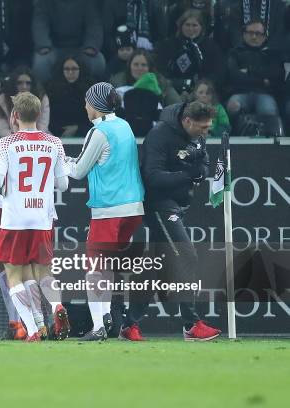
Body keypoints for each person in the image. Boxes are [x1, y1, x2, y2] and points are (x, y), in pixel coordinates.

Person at [0, 92, 72, 342]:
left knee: (15, 275)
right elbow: (64, 184)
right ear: (38, 115)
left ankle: (33, 330)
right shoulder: (54, 142)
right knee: (43, 272)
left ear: (14, 116)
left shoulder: (6, 143)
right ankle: (56, 308)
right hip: (42, 218)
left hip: (15, 218)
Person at [121, 101, 221, 341]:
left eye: (208, 128)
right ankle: (191, 325)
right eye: (202, 128)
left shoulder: (196, 136)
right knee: (186, 256)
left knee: (156, 268)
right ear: (187, 121)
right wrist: (187, 175)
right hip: (158, 205)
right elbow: (153, 177)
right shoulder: (159, 135)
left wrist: (201, 172)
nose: (206, 133)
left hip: (178, 204)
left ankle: (128, 324)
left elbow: (203, 162)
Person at [65, 82, 145, 341]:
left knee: (93, 269)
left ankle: (98, 325)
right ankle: (107, 314)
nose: (84, 106)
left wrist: (58, 160)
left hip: (109, 209)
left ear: (97, 106)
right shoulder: (125, 126)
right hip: (134, 209)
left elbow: (77, 171)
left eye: (88, 101)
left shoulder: (98, 132)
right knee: (106, 266)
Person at [225, 18, 284, 126]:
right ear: (243, 34)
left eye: (258, 33)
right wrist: (262, 81)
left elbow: (277, 75)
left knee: (268, 110)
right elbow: (234, 76)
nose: (254, 37)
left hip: (265, 94)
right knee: (232, 107)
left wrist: (249, 71)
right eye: (250, 33)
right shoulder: (234, 53)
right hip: (239, 93)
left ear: (265, 36)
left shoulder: (272, 54)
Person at [32, 0, 106, 82]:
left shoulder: (87, 2)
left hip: (81, 48)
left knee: (98, 62)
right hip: (54, 48)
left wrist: (92, 45)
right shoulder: (44, 2)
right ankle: (45, 93)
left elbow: (94, 24)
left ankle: (94, 92)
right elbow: (40, 23)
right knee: (41, 64)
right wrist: (43, 44)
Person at [155, 9, 224, 97]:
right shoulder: (168, 45)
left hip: (202, 91)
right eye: (187, 25)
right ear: (181, 26)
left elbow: (217, 74)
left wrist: (197, 89)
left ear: (201, 27)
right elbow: (161, 71)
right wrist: (181, 86)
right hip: (173, 89)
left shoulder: (211, 46)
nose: (190, 29)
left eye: (194, 25)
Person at [0, 66, 49, 138]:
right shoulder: (1, 97)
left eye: (28, 83)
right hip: (8, 138)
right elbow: (0, 125)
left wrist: (32, 138)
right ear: (13, 83)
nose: (24, 87)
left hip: (38, 138)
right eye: (19, 83)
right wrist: (17, 139)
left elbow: (43, 124)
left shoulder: (41, 97)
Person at [111, 49, 181, 107]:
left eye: (143, 65)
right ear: (130, 66)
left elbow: (177, 106)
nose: (139, 68)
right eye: (136, 64)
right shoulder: (117, 82)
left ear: (149, 68)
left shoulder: (161, 82)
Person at [47, 56, 95, 137]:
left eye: (74, 69)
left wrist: (77, 128)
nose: (70, 72)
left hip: (85, 135)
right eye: (67, 69)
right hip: (57, 136)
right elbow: (49, 118)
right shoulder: (52, 90)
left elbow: (96, 119)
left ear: (81, 70)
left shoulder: (91, 90)